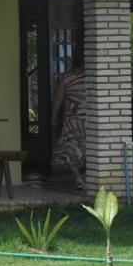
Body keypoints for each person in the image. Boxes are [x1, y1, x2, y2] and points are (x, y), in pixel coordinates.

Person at [52, 59, 87, 190]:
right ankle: (84, 177)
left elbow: (58, 99)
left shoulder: (65, 77)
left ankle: (78, 177)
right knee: (88, 147)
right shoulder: (92, 76)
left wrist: (54, 116)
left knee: (70, 147)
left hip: (71, 118)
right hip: (89, 118)